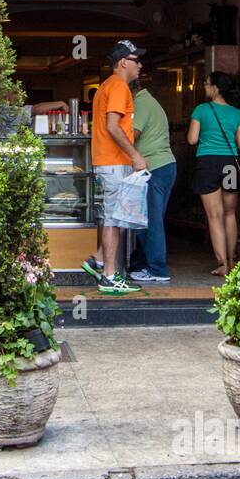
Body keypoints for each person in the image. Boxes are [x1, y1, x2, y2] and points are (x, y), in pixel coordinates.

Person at [82, 40, 146, 295]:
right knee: (113, 218)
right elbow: (112, 126)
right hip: (115, 161)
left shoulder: (107, 86)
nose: (140, 65)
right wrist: (135, 156)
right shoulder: (119, 86)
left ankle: (98, 260)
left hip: (108, 161)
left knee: (116, 217)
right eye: (136, 60)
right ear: (123, 62)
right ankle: (108, 276)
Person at [188, 71, 240, 277]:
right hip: (230, 163)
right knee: (230, 214)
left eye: (206, 84)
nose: (204, 88)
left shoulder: (201, 110)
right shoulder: (237, 113)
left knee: (214, 216)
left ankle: (222, 264)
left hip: (208, 163)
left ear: (216, 88)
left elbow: (192, 139)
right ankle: (231, 261)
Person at [127, 71, 176, 282]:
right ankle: (142, 263)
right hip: (163, 166)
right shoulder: (149, 101)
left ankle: (158, 269)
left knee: (150, 221)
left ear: (129, 90)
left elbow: (131, 134)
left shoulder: (142, 104)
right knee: (149, 220)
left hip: (155, 167)